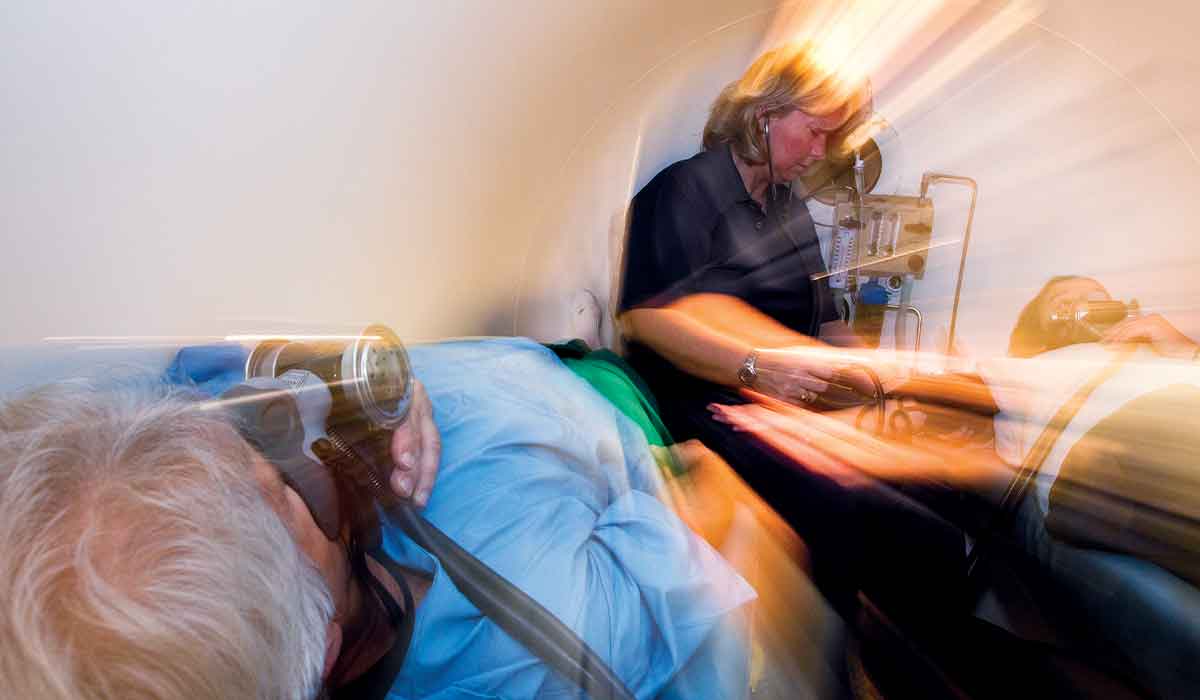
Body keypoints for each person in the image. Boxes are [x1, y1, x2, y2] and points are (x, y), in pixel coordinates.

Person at [0, 337, 754, 699]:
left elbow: (200, 375)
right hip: (604, 413)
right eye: (282, 488)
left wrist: (338, 368)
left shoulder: (133, 451)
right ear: (323, 647)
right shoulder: (549, 637)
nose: (295, 429)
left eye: (239, 427)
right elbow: (717, 509)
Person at [617, 42, 949, 616]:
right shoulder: (686, 191)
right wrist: (756, 366)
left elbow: (826, 320)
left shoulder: (789, 208)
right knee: (839, 503)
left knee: (930, 494)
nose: (821, 151)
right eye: (816, 132)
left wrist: (889, 378)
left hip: (784, 399)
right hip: (708, 404)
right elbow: (646, 318)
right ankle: (835, 653)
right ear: (764, 115)